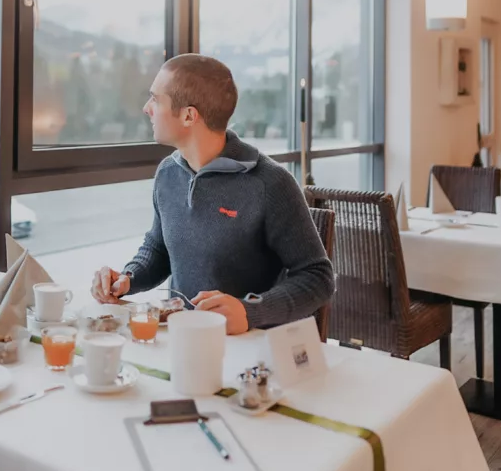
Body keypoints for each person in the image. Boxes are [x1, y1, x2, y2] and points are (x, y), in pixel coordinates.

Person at [91, 54, 334, 335]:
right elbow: (159, 249)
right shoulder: (168, 173)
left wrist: (250, 311)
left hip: (249, 352)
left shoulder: (271, 183)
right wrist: (127, 278)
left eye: (155, 99)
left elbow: (318, 278)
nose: (147, 108)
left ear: (188, 115)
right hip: (183, 340)